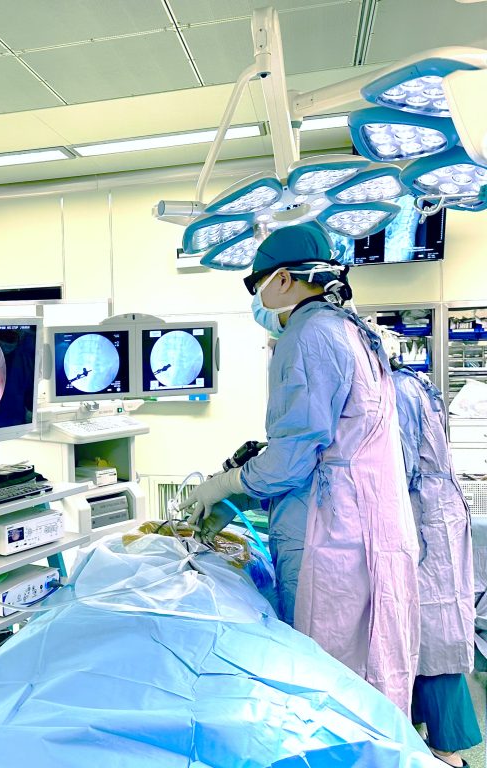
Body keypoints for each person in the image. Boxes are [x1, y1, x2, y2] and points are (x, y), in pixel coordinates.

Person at [178, 223, 421, 715]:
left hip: (333, 540)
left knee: (326, 681)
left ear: (284, 279)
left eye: (255, 285)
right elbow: (326, 442)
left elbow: (291, 461)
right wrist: (242, 487)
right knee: (370, 675)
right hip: (369, 528)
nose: (257, 300)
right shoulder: (352, 330)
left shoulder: (306, 336)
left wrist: (223, 484)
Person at [378, 327, 481, 766]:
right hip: (434, 516)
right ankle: (433, 740)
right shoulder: (411, 383)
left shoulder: (398, 392)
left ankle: (446, 751)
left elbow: (396, 467)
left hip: (423, 522)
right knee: (430, 634)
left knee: (432, 638)